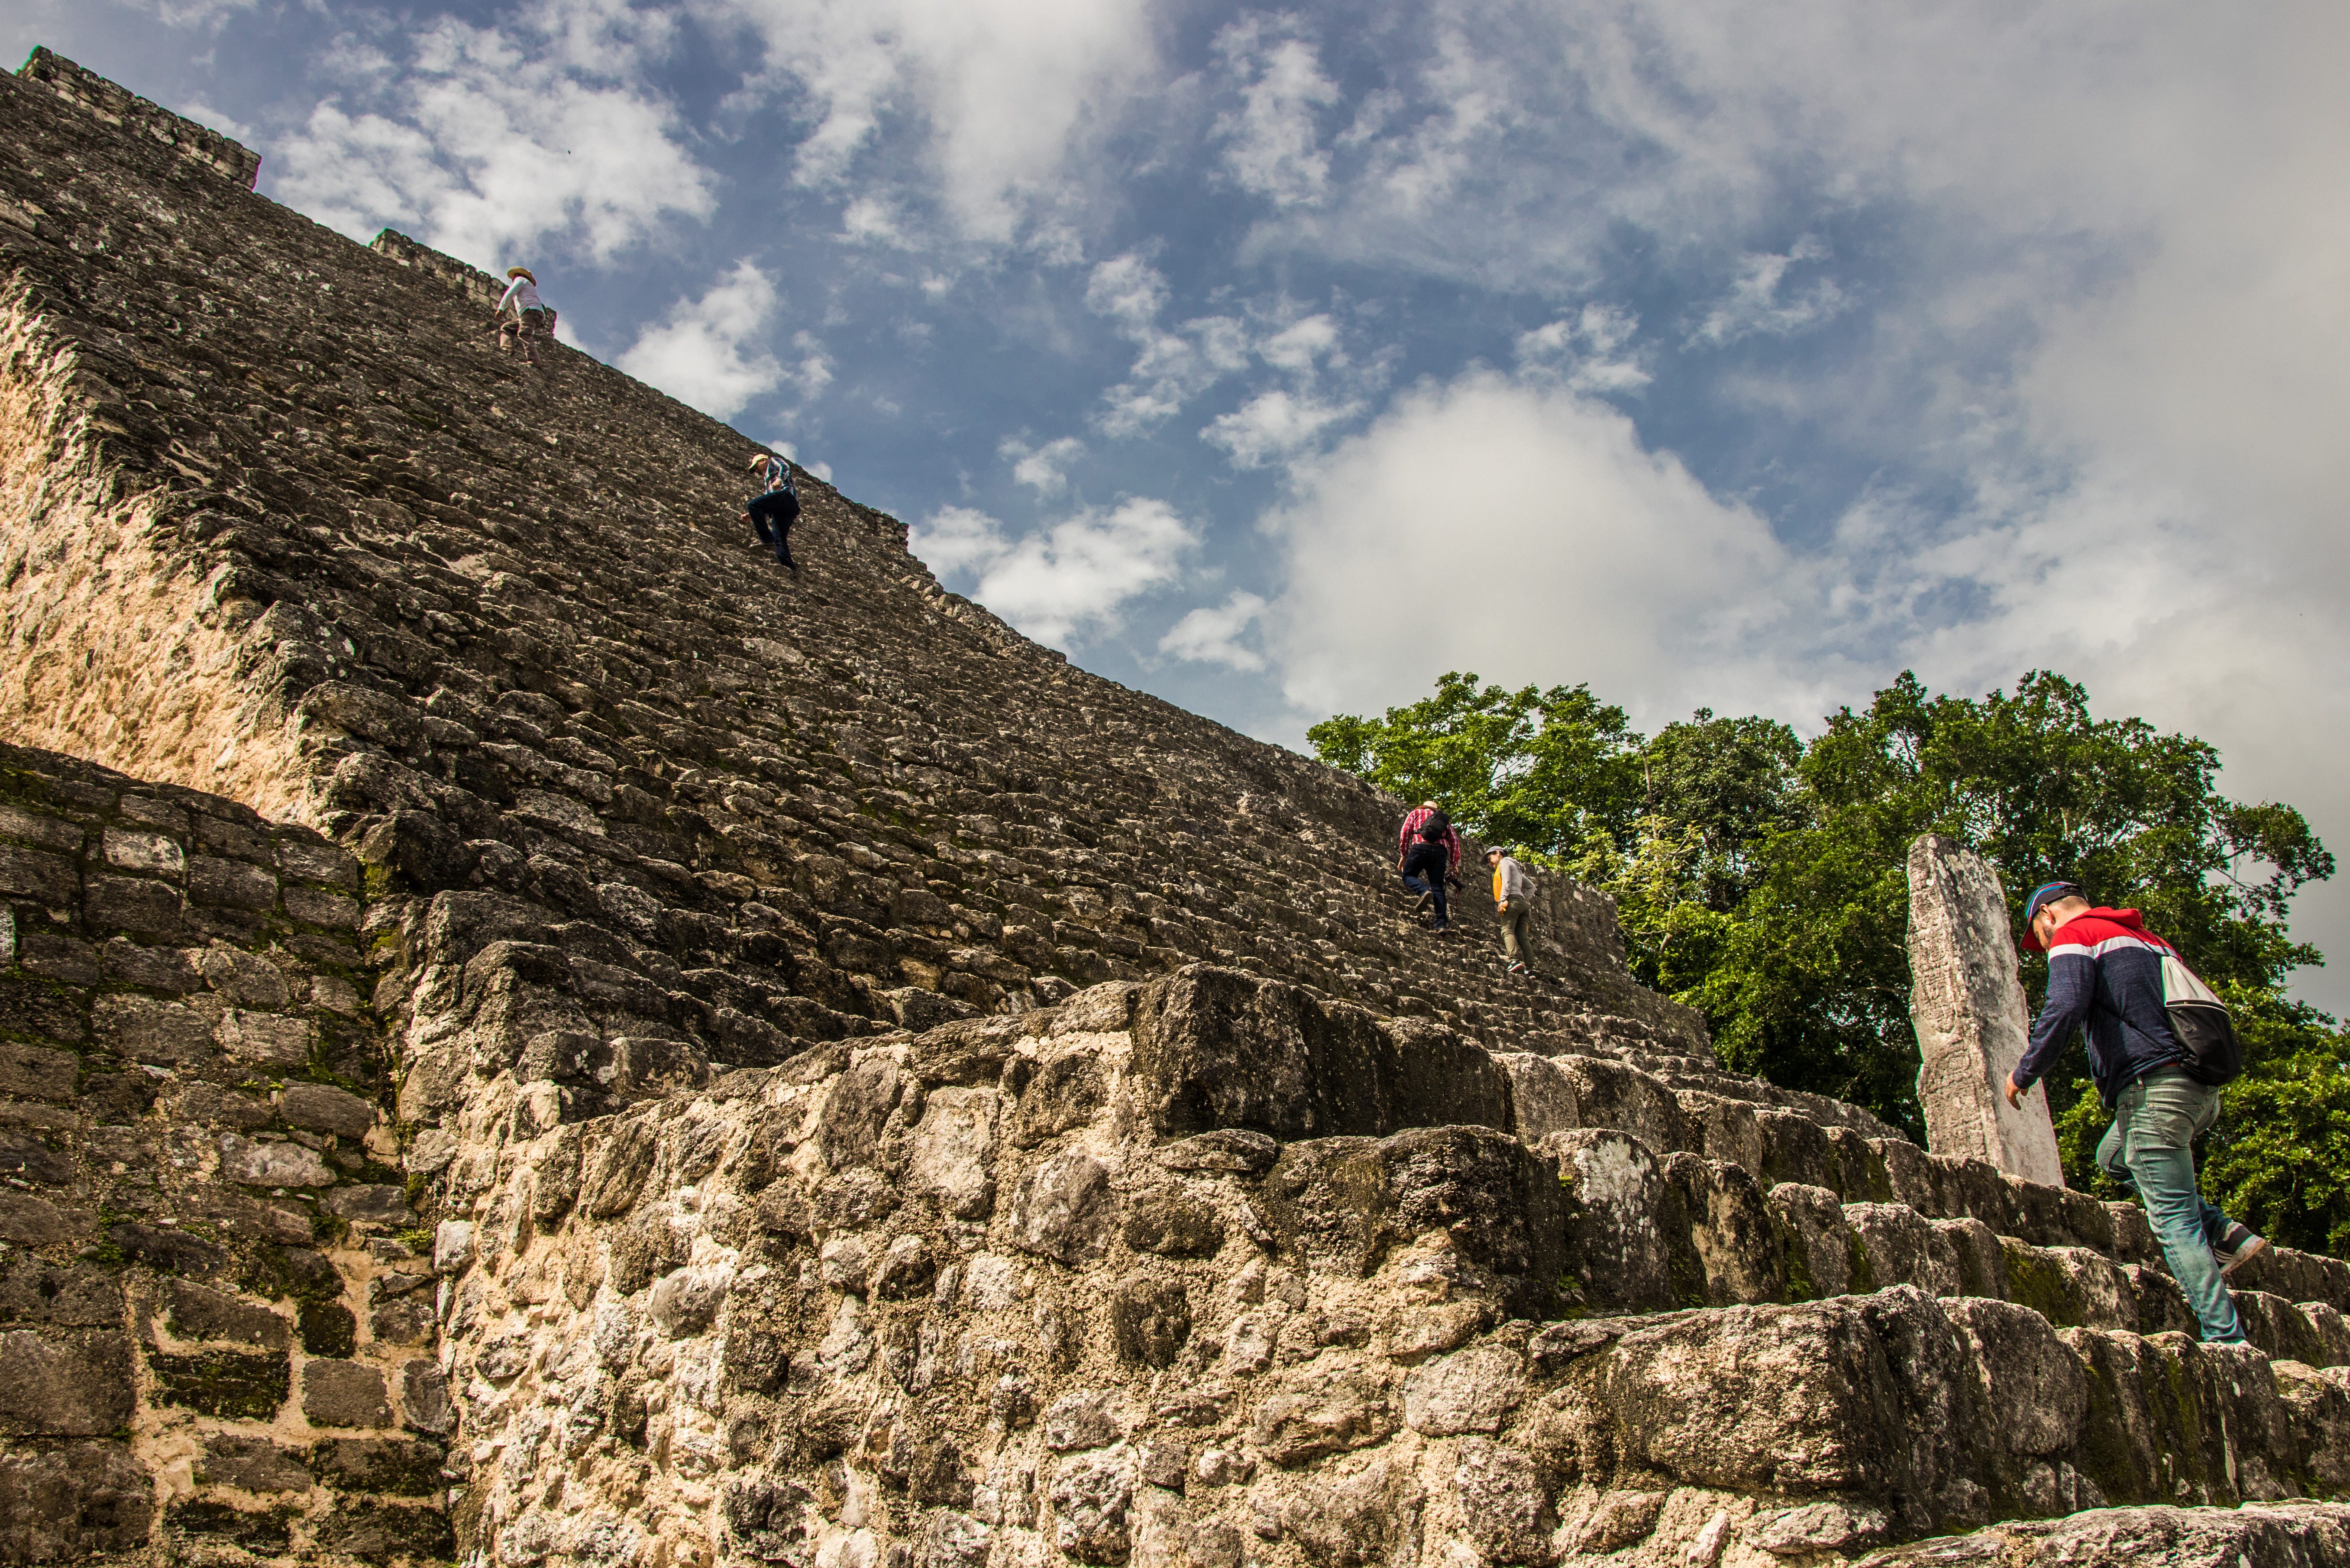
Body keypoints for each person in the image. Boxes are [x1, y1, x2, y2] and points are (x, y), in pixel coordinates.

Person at [2002, 880, 2266, 1345]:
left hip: (2151, 1087)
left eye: (2039, 938)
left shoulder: (2075, 935)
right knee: (2114, 1157)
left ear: (2047, 916)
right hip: (2199, 1088)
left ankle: (2227, 1340)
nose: (2043, 947)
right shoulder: (2149, 939)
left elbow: (2064, 1005)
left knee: (2173, 1218)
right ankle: (2224, 1232)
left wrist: (2026, 1071)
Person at [1397, 802, 1461, 932]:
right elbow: (1455, 840)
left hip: (1420, 847)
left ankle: (1424, 891)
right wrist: (1453, 864)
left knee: (1408, 875)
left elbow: (1405, 832)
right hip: (1440, 852)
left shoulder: (1416, 813)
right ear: (1435, 809)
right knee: (1438, 887)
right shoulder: (1444, 820)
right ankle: (1441, 925)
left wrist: (1404, 854)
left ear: (1424, 806)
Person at [743, 452, 801, 570]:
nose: (757, 471)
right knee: (779, 537)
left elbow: (784, 467)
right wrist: (753, 514)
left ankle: (766, 540)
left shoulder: (773, 461)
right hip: (786, 508)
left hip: (786, 496)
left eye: (756, 467)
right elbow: (769, 503)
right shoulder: (767, 480)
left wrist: (780, 480)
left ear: (763, 461)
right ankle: (790, 568)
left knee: (753, 505)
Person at [1486, 845, 1534, 974]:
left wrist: (1502, 900)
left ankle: (1514, 960)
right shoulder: (1516, 868)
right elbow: (1532, 887)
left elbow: (1506, 882)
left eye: (1490, 858)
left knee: (1507, 930)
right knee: (1523, 937)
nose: (1490, 863)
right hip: (1522, 904)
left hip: (1511, 901)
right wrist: (1524, 899)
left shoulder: (1505, 863)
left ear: (1498, 853)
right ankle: (1530, 969)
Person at [492, 267, 554, 363]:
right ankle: (507, 350)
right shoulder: (528, 285)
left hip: (529, 312)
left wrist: (501, 309)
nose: (513, 280)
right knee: (507, 328)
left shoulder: (520, 280)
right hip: (535, 314)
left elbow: (511, 293)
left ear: (519, 275)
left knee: (524, 334)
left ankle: (534, 361)